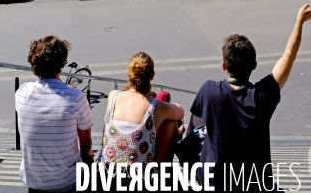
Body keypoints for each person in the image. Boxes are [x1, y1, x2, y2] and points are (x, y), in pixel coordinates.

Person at [190, 4, 311, 191]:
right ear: (254, 65)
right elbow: (288, 56)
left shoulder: (208, 91)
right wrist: (299, 22)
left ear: (223, 66)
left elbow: (194, 129)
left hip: (214, 183)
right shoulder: (262, 97)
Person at [15, 36, 94, 193]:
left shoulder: (22, 93)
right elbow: (86, 147)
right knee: (89, 158)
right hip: (68, 182)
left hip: (34, 181)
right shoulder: (75, 97)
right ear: (62, 63)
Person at [97, 52, 184, 174]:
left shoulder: (113, 96)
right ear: (152, 76)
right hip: (138, 179)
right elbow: (180, 112)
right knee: (170, 121)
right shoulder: (156, 106)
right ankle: (164, 176)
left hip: (104, 174)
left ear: (129, 75)